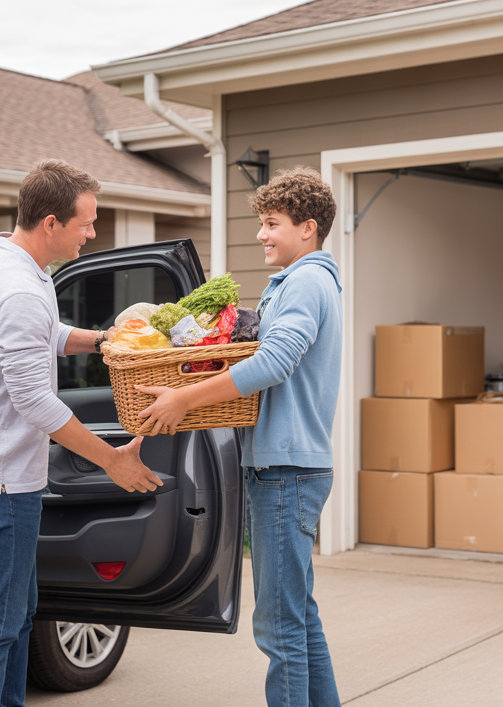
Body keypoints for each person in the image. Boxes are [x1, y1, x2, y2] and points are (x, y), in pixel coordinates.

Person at [0, 159, 163, 707]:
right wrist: (112, 460)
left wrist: (103, 340)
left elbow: (43, 333)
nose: (93, 233)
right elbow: (34, 399)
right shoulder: (19, 288)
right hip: (0, 484)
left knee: (16, 615)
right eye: (86, 222)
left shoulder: (4, 261)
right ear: (52, 223)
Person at [137, 166, 342, 707]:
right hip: (289, 467)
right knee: (298, 619)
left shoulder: (304, 283)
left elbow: (273, 362)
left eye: (272, 223)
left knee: (279, 629)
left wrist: (183, 398)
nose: (262, 234)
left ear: (308, 228)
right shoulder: (306, 282)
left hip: (285, 471)